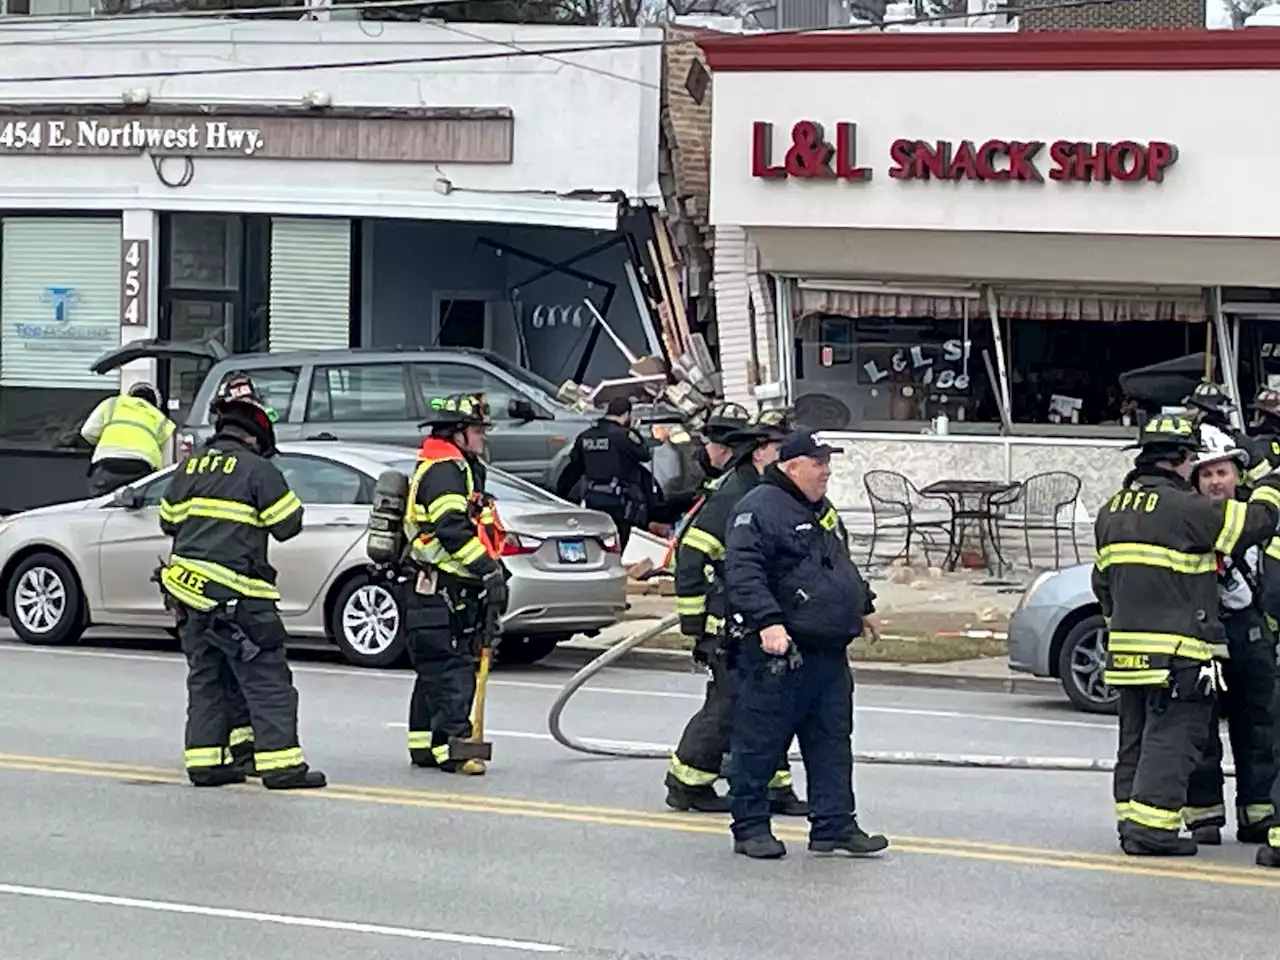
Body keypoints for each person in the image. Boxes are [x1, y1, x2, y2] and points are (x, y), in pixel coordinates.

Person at [1093, 414, 1280, 856]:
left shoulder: (1111, 510)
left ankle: (1131, 821)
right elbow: (1253, 524)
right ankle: (1152, 830)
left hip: (1126, 651)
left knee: (1135, 738)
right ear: (1180, 462)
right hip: (1179, 651)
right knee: (1173, 738)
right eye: (1196, 462)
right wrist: (1272, 486)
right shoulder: (1185, 509)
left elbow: (1102, 583)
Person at [723, 429, 888, 860]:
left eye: (827, 462)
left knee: (832, 741)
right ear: (791, 466)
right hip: (781, 652)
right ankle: (751, 827)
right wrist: (768, 622)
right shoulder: (757, 510)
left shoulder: (820, 509)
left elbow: (838, 563)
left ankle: (834, 825)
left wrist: (863, 605)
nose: (826, 471)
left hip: (828, 650)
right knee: (760, 743)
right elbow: (744, 572)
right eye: (818, 463)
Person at [157, 374, 325, 790]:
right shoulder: (258, 470)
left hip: (188, 596)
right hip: (239, 597)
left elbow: (168, 521)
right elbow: (288, 525)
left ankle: (207, 763)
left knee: (207, 677)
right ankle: (282, 766)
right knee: (268, 681)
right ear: (257, 433)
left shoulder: (189, 468)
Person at [665, 411, 806, 816]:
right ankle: (687, 782)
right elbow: (691, 555)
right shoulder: (734, 494)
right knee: (727, 707)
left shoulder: (772, 490)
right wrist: (694, 623)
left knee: (775, 706)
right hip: (727, 625)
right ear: (759, 452)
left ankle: (775, 787)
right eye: (779, 449)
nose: (786, 457)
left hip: (765, 618)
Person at [1181, 425, 1278, 845]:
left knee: (1260, 727)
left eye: (1222, 472)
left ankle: (1258, 814)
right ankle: (1205, 817)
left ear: (1238, 475)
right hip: (1202, 633)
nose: (1215, 482)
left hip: (1250, 633)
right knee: (1199, 730)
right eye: (1206, 474)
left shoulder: (1259, 521)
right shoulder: (1184, 522)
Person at [404, 393, 508, 776]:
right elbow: (451, 528)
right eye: (477, 430)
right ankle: (455, 749)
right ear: (458, 433)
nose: (482, 438)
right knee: (453, 669)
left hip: (437, 588)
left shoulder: (447, 464)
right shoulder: (446, 470)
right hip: (442, 587)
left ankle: (425, 746)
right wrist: (486, 569)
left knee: (434, 669)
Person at [555, 396, 651, 551]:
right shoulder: (624, 435)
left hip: (593, 498)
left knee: (598, 539)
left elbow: (575, 466)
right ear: (626, 415)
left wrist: (563, 495)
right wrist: (634, 430)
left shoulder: (586, 436)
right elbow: (645, 455)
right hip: (620, 501)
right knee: (620, 541)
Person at [80, 382, 176, 496]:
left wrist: (101, 442)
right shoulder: (162, 420)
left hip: (107, 465)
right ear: (155, 404)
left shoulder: (113, 403)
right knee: (135, 509)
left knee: (99, 506)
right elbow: (167, 463)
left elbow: (87, 432)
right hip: (141, 468)